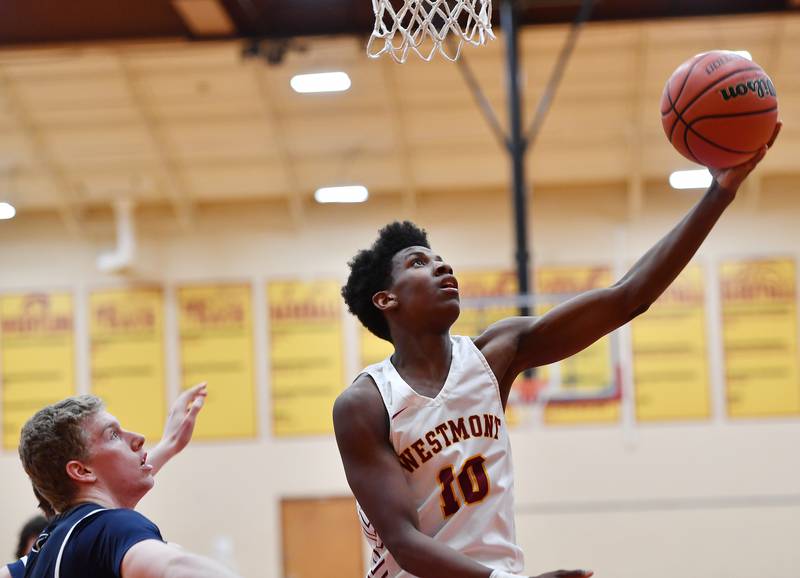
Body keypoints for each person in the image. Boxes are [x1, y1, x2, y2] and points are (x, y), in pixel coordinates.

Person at [333, 126, 781, 578]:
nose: (441, 265)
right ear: (386, 300)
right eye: (418, 262)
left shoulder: (495, 355)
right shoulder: (366, 404)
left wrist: (719, 193)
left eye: (438, 258)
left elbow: (629, 297)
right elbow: (404, 542)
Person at [2, 383, 241, 578]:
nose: (138, 438)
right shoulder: (113, 526)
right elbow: (174, 567)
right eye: (113, 434)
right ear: (81, 471)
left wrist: (168, 445)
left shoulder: (43, 551)